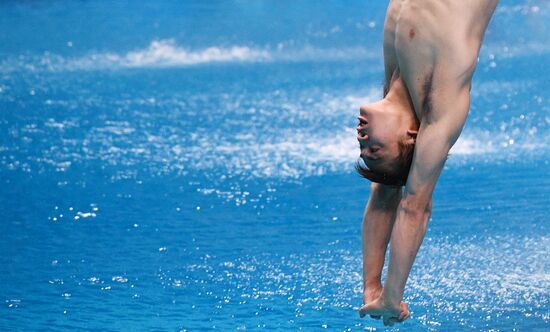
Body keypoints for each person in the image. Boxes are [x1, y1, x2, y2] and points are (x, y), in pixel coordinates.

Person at [356, 0, 498, 326]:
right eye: (373, 149)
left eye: (362, 146)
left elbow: (384, 194)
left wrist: (371, 287)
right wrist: (392, 297)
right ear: (410, 138)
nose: (361, 138)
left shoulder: (398, 81)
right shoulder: (439, 102)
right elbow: (414, 205)